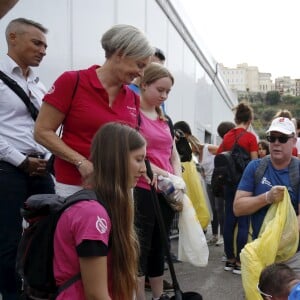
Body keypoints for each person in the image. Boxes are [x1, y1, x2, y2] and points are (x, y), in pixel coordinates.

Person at [34, 24, 153, 197]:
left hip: (118, 188)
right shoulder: (72, 81)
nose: (141, 74)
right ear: (120, 54)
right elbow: (42, 131)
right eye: (139, 65)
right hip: (75, 184)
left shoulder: (133, 98)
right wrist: (81, 162)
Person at [53, 122, 147, 300]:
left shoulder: (107, 205)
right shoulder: (92, 214)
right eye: (138, 159)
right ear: (115, 160)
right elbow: (96, 295)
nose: (143, 169)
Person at [0, 18, 55, 300]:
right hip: (7, 169)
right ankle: (10, 295)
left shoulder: (41, 85)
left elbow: (46, 129)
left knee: (48, 232)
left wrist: (45, 156)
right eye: (37, 43)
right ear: (12, 38)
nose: (43, 50)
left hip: (40, 166)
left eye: (45, 45)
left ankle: (39, 292)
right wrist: (20, 160)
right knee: (8, 239)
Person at [134, 63, 183, 300]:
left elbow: (173, 155)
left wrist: (178, 183)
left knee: (159, 245)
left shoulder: (166, 119)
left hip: (166, 191)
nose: (163, 95)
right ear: (143, 85)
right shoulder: (133, 114)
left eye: (168, 92)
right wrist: (154, 174)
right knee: (140, 247)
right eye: (160, 89)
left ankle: (158, 295)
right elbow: (132, 155)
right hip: (142, 189)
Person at [234, 117, 300, 274]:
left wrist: (280, 241)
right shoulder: (255, 167)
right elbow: (238, 208)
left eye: (282, 138)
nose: (276, 143)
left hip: (292, 256)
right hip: (260, 251)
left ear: (294, 141)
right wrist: (267, 198)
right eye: (272, 138)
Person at [217, 102, 258, 275]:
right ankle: (240, 262)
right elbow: (255, 163)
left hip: (228, 183)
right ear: (249, 120)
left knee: (229, 220)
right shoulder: (250, 138)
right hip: (245, 184)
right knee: (243, 222)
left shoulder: (227, 136)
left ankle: (229, 260)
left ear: (236, 119)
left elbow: (219, 155)